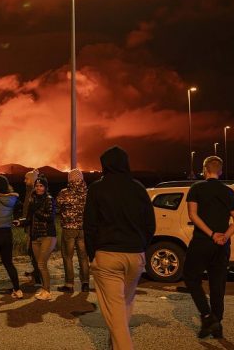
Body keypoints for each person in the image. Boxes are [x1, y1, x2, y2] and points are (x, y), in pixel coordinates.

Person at [84, 146, 156, 350]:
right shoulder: (139, 188)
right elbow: (150, 224)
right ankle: (115, 345)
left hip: (107, 255)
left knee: (114, 308)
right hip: (135, 256)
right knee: (124, 304)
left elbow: (89, 226)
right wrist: (141, 247)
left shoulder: (97, 189)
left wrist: (92, 255)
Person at [183, 156, 234, 339]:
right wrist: (225, 235)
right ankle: (217, 324)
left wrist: (211, 234)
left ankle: (207, 316)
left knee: (190, 276)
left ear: (204, 169)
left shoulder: (196, 188)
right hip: (222, 246)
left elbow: (193, 215)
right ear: (221, 171)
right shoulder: (229, 192)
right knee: (218, 285)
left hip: (202, 242)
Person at [22, 175, 56, 300]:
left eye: (41, 186)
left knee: (41, 264)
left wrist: (37, 211)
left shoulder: (49, 199)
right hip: (36, 236)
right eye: (36, 186)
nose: (38, 188)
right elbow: (30, 219)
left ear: (45, 187)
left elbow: (50, 217)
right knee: (39, 264)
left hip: (47, 235)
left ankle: (47, 291)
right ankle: (44, 287)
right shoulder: (33, 200)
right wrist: (20, 222)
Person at [57, 168, 90, 293]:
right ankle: (85, 283)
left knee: (67, 256)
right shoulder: (87, 193)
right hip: (83, 229)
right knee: (83, 257)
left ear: (69, 179)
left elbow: (58, 206)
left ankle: (69, 284)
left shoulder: (64, 193)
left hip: (69, 228)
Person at [21, 169, 41, 283]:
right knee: (31, 251)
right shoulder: (30, 191)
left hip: (33, 228)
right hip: (29, 226)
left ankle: (38, 275)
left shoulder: (34, 193)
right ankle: (36, 272)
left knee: (33, 251)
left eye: (26, 179)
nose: (24, 181)